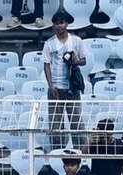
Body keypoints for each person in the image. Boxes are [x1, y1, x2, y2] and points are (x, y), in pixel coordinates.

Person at [43, 12, 88, 151]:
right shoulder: (49, 43)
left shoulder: (76, 41)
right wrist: (51, 86)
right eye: (56, 23)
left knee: (76, 123)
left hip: (72, 89)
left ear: (67, 24)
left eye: (61, 22)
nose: (59, 26)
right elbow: (46, 65)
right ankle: (57, 153)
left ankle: (80, 155)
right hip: (56, 89)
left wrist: (76, 61)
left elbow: (84, 61)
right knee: (56, 126)